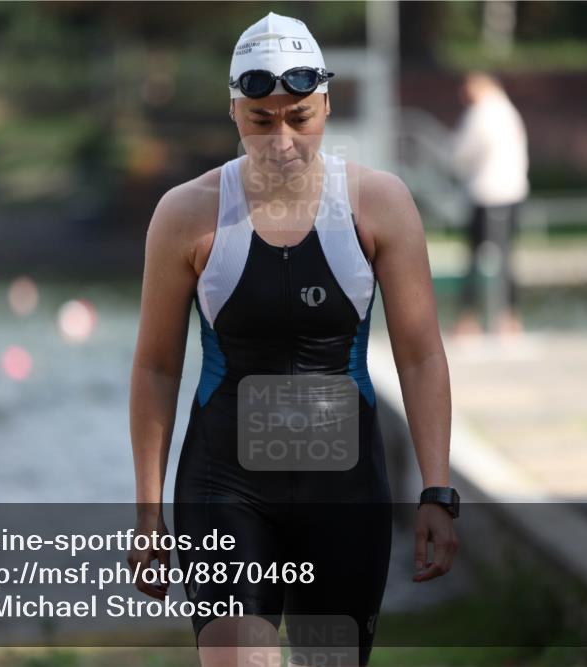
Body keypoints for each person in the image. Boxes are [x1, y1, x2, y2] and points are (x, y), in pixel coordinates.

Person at [129, 12, 458, 667]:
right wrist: (147, 511)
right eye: (261, 119)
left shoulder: (378, 204)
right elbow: (157, 366)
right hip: (224, 487)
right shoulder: (186, 213)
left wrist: (437, 491)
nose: (281, 140)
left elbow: (420, 355)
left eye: (299, 117)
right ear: (233, 110)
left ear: (327, 105)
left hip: (345, 496)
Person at [451, 72, 529, 336]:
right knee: (505, 258)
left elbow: (462, 153)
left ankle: (471, 319)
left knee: (476, 260)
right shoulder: (509, 113)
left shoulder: (483, 114)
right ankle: (508, 318)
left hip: (487, 194)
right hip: (512, 193)